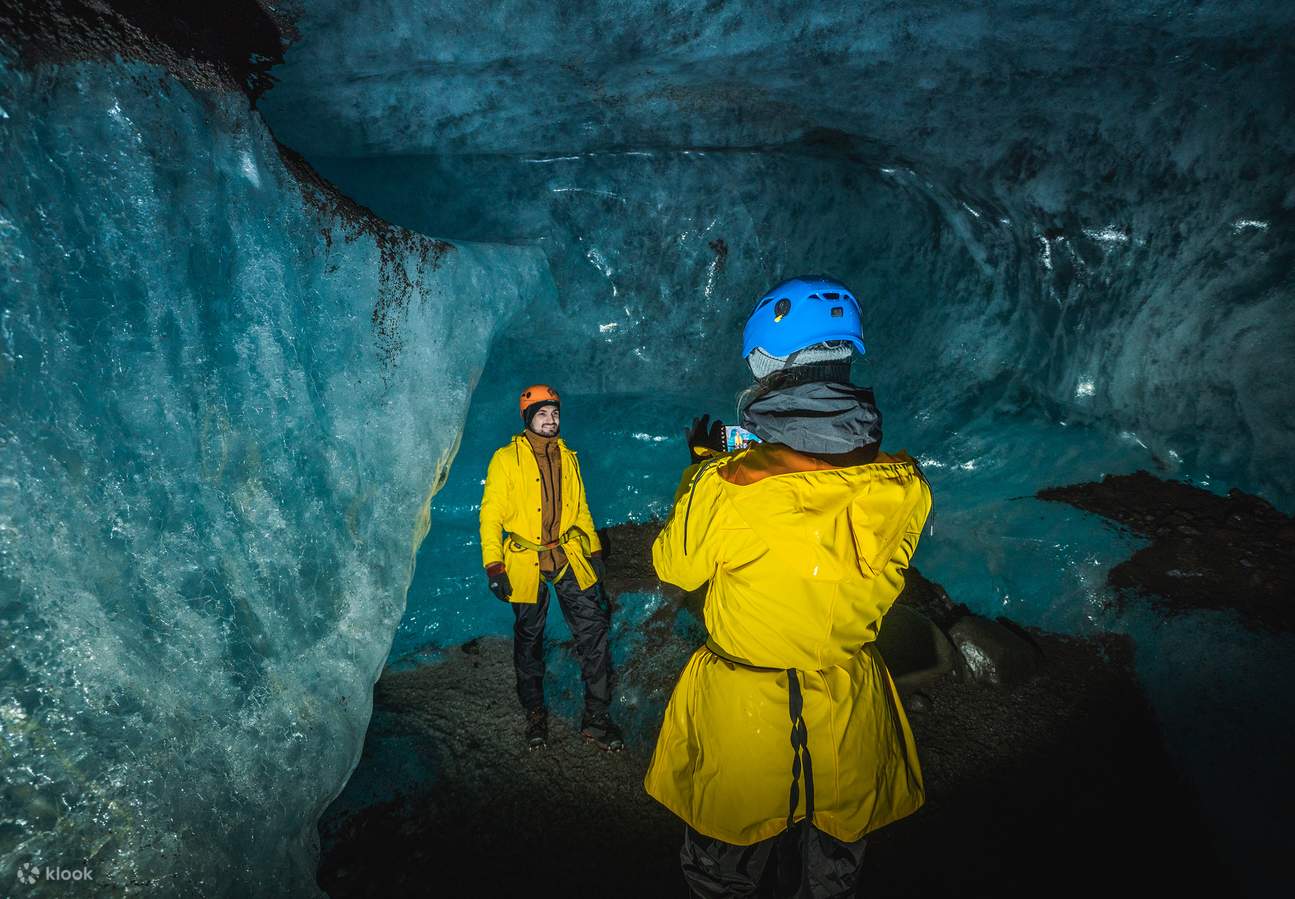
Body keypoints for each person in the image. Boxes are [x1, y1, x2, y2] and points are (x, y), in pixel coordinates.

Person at [644, 276, 932, 897]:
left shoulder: (727, 486)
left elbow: (675, 566)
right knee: (833, 876)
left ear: (769, 364)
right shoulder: (906, 484)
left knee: (722, 875)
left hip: (745, 719)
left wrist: (701, 467)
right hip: (851, 709)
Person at [478, 384, 624, 752]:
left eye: (555, 413)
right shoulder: (505, 459)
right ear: (528, 418)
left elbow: (582, 508)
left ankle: (596, 718)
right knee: (529, 641)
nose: (550, 420)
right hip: (526, 560)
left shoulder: (568, 457)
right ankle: (535, 715)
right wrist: (494, 565)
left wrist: (592, 551)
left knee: (593, 632)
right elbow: (491, 514)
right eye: (542, 414)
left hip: (567, 555)